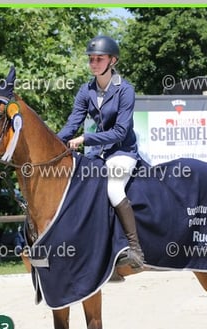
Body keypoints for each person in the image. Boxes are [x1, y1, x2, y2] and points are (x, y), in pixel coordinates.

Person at [57, 35, 144, 271]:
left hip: (122, 151)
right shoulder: (86, 90)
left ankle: (135, 249)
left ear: (112, 61)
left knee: (113, 189)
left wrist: (86, 138)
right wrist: (53, 142)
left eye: (99, 59)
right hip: (99, 153)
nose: (93, 63)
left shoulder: (125, 90)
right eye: (91, 59)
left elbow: (120, 132)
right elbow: (72, 124)